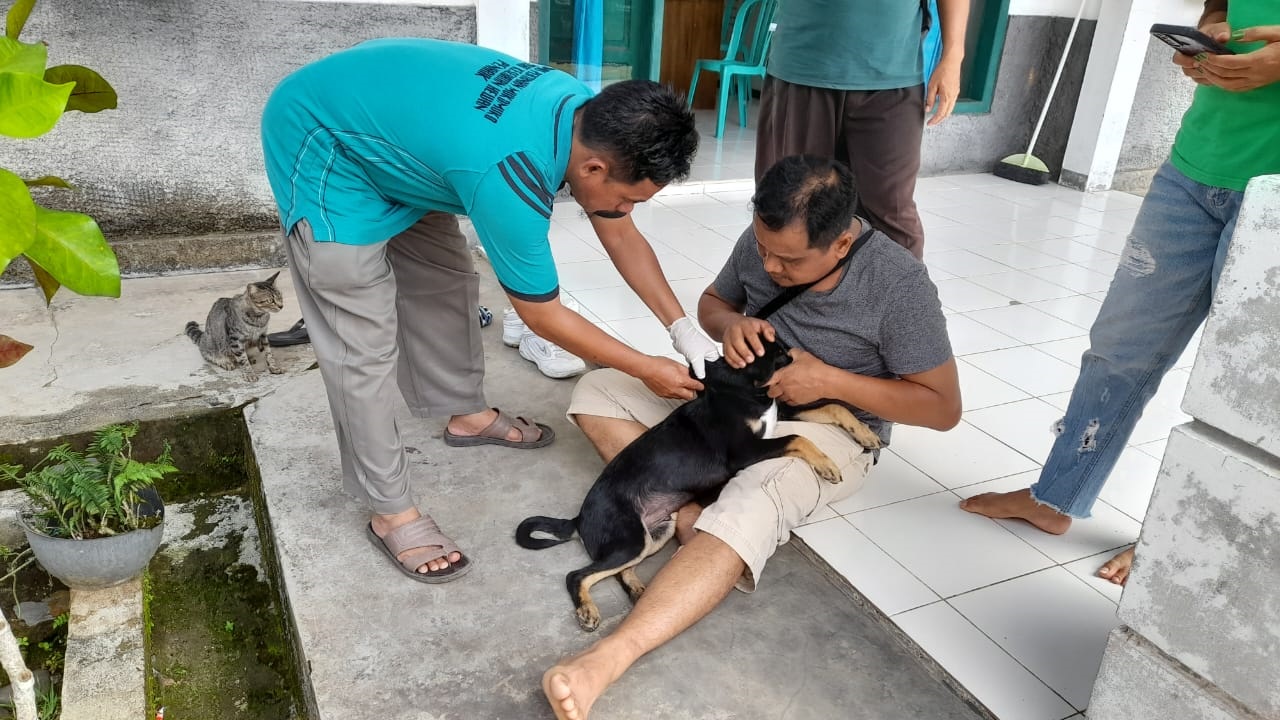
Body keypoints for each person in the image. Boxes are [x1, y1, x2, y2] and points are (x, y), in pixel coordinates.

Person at [260, 38, 721, 583]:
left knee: (446, 280)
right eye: (628, 198)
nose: (625, 211)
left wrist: (681, 328)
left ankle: (465, 413)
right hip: (324, 141)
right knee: (359, 341)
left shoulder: (582, 113)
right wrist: (644, 367)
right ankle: (390, 510)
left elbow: (620, 235)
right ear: (594, 167)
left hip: (401, 138)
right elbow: (543, 316)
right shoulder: (513, 174)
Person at [541, 155, 961, 719]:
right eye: (763, 250)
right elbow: (714, 305)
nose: (769, 266)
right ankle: (696, 507)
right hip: (740, 399)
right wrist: (730, 325)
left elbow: (943, 409)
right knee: (600, 389)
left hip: (827, 420)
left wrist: (829, 381)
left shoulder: (899, 285)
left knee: (752, 502)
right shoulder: (769, 235)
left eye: (788, 260)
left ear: (841, 244)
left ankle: (609, 657)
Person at [960, 2, 1280, 586]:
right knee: (1119, 349)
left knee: (1246, 391)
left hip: (1275, 194)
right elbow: (1222, 5)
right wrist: (1209, 34)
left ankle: (1176, 539)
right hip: (1194, 167)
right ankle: (1056, 497)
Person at [754, 0, 971, 259]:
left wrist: (953, 56)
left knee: (892, 214)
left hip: (892, 74)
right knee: (791, 206)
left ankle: (901, 286)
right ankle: (784, 286)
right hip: (803, 66)